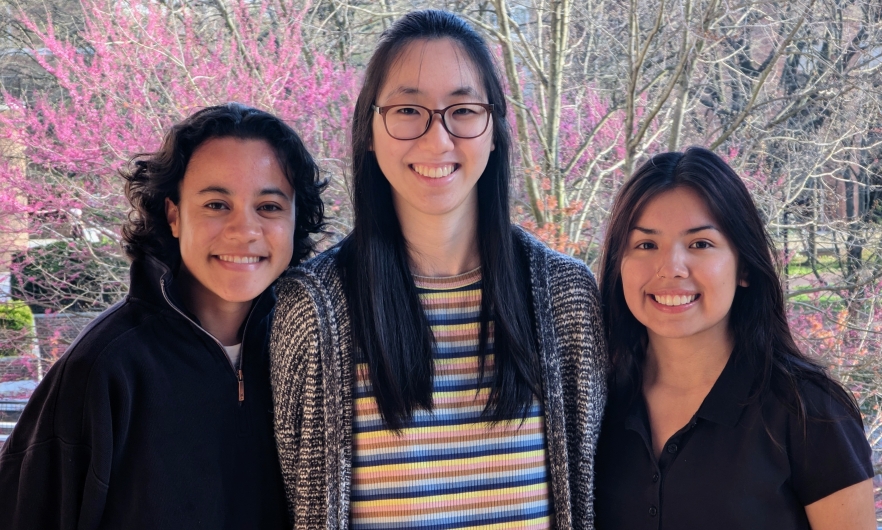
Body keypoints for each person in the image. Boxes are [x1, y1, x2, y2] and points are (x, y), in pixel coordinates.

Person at [269, 9, 607, 530]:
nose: (437, 139)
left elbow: (589, 496)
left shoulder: (565, 298)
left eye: (463, 110)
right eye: (408, 109)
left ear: (494, 128)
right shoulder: (314, 310)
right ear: (369, 130)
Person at [0, 103, 325, 529]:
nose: (244, 230)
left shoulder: (314, 356)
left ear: (295, 217)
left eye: (268, 207)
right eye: (215, 204)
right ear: (174, 215)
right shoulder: (103, 368)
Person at [594, 147, 875, 530]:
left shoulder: (810, 412)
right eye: (646, 245)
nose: (672, 268)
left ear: (743, 266)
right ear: (618, 265)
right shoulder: (593, 404)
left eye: (700, 244)